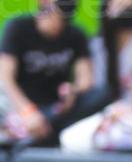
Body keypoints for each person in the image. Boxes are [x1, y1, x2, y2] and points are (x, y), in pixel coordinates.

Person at [0, 0, 107, 146]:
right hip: (21, 104)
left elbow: (86, 79)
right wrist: (28, 111)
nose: (58, 25)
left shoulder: (76, 34)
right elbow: (5, 77)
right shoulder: (18, 28)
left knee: (101, 94)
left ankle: (43, 132)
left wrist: (73, 91)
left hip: (57, 108)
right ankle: (32, 131)